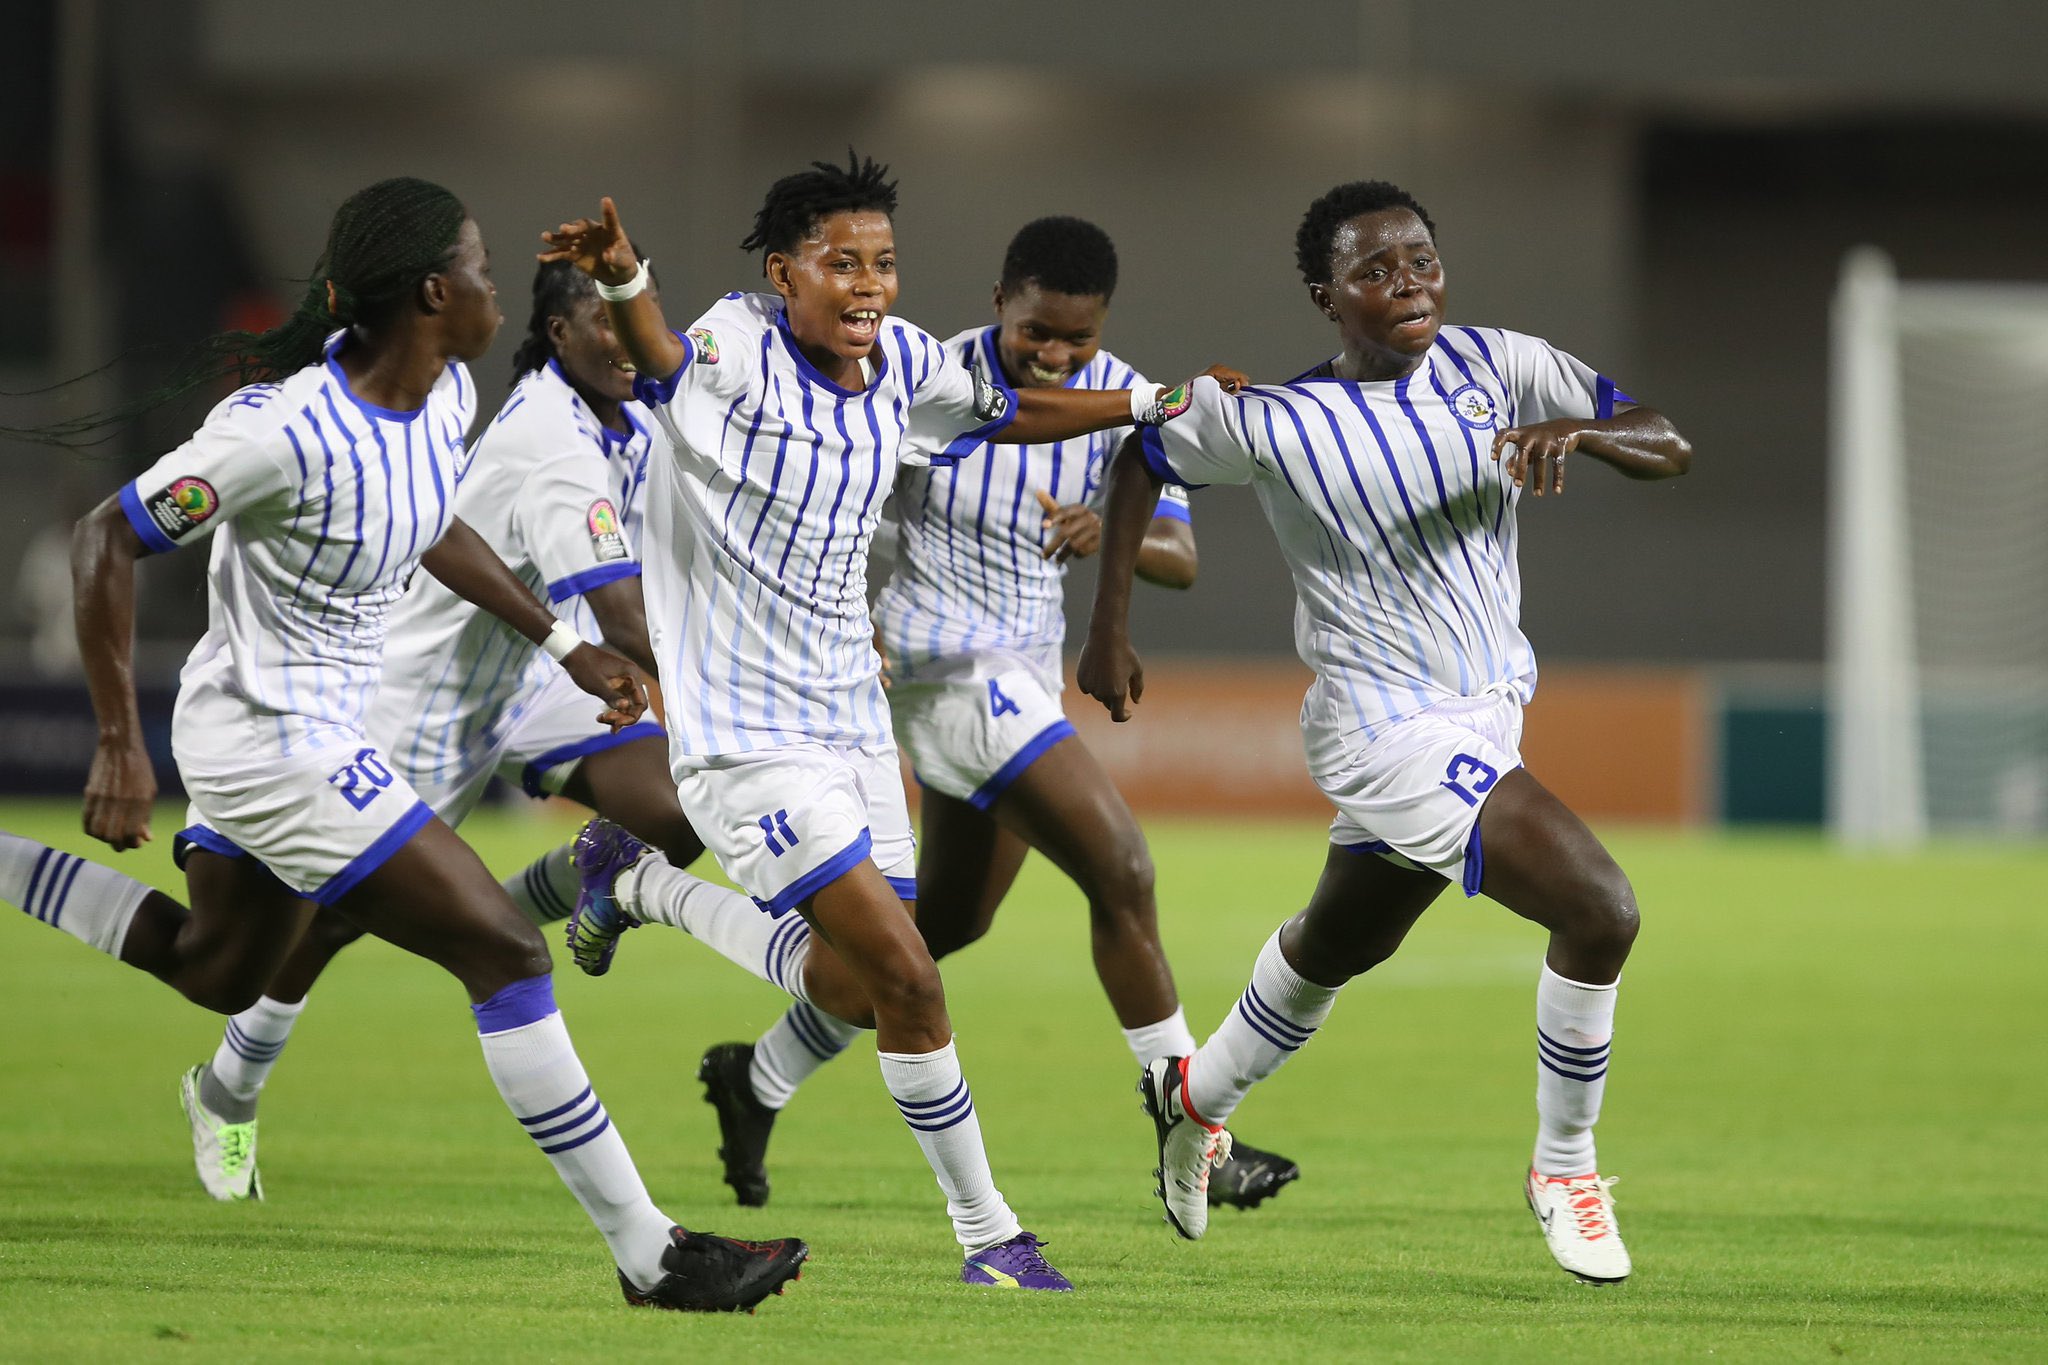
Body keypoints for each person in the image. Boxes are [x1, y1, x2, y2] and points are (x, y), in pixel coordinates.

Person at [0, 178, 806, 1313]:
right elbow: (101, 540)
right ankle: (652, 1254)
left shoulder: (442, 395)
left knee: (214, 967)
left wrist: (563, 644)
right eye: (480, 266)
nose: (494, 287)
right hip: (271, 742)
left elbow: (433, 526)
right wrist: (117, 744)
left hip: (325, 728)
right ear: (436, 291)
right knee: (505, 954)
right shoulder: (274, 432)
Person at [539, 154, 1232, 1292]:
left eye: (885, 263)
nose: (868, 285)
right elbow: (660, 363)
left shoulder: (906, 363)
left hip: (854, 726)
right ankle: (990, 1238)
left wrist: (1149, 403)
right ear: (784, 272)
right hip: (744, 734)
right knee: (910, 977)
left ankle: (642, 886)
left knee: (863, 982)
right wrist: (626, 285)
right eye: (841, 263)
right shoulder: (733, 344)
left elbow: (1013, 413)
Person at [1076, 179, 1692, 1284]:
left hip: (1486, 713)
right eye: (1373, 271)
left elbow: (1667, 441)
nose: (1405, 285)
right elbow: (1141, 458)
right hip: (1381, 725)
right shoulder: (1272, 419)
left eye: (1419, 261)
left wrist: (1585, 432)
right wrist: (1106, 629)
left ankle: (1188, 1105)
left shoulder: (1496, 363)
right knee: (1599, 909)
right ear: (1326, 296)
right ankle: (1564, 1165)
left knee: (1338, 944)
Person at [175, 255, 765, 1208]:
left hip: (538, 669)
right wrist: (766, 676)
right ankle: (225, 1090)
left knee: (673, 809)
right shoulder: (551, 439)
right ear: (560, 334)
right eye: (600, 327)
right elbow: (624, 621)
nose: (622, 345)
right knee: (327, 922)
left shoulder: (646, 415)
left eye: (633, 320)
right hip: (429, 690)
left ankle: (588, 877)